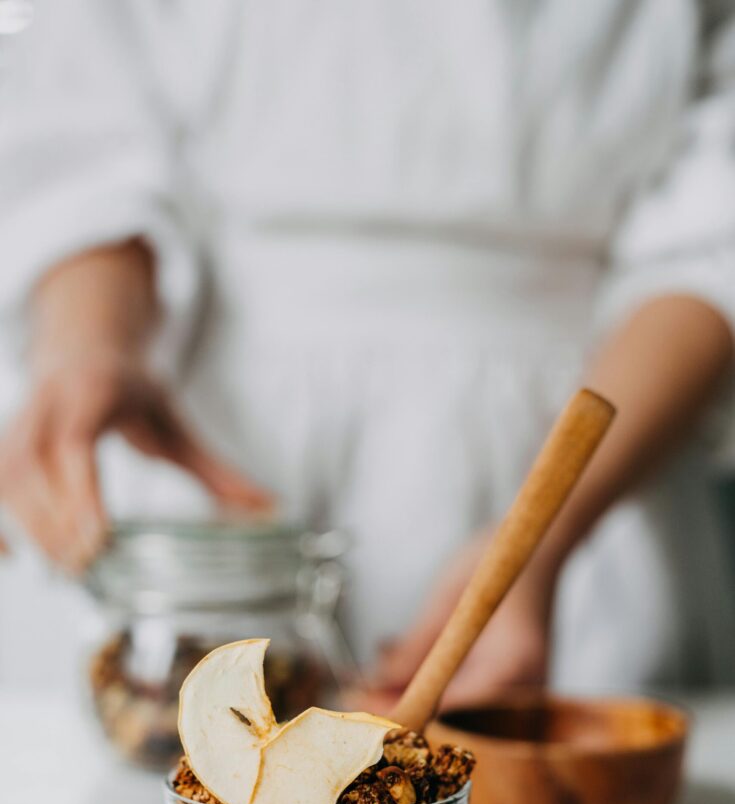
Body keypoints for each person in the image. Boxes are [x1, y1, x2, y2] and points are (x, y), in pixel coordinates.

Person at [0, 0, 733, 705]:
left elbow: (710, 242)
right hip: (223, 448)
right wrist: (88, 346)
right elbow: (80, 140)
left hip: (595, 460)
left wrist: (537, 542)